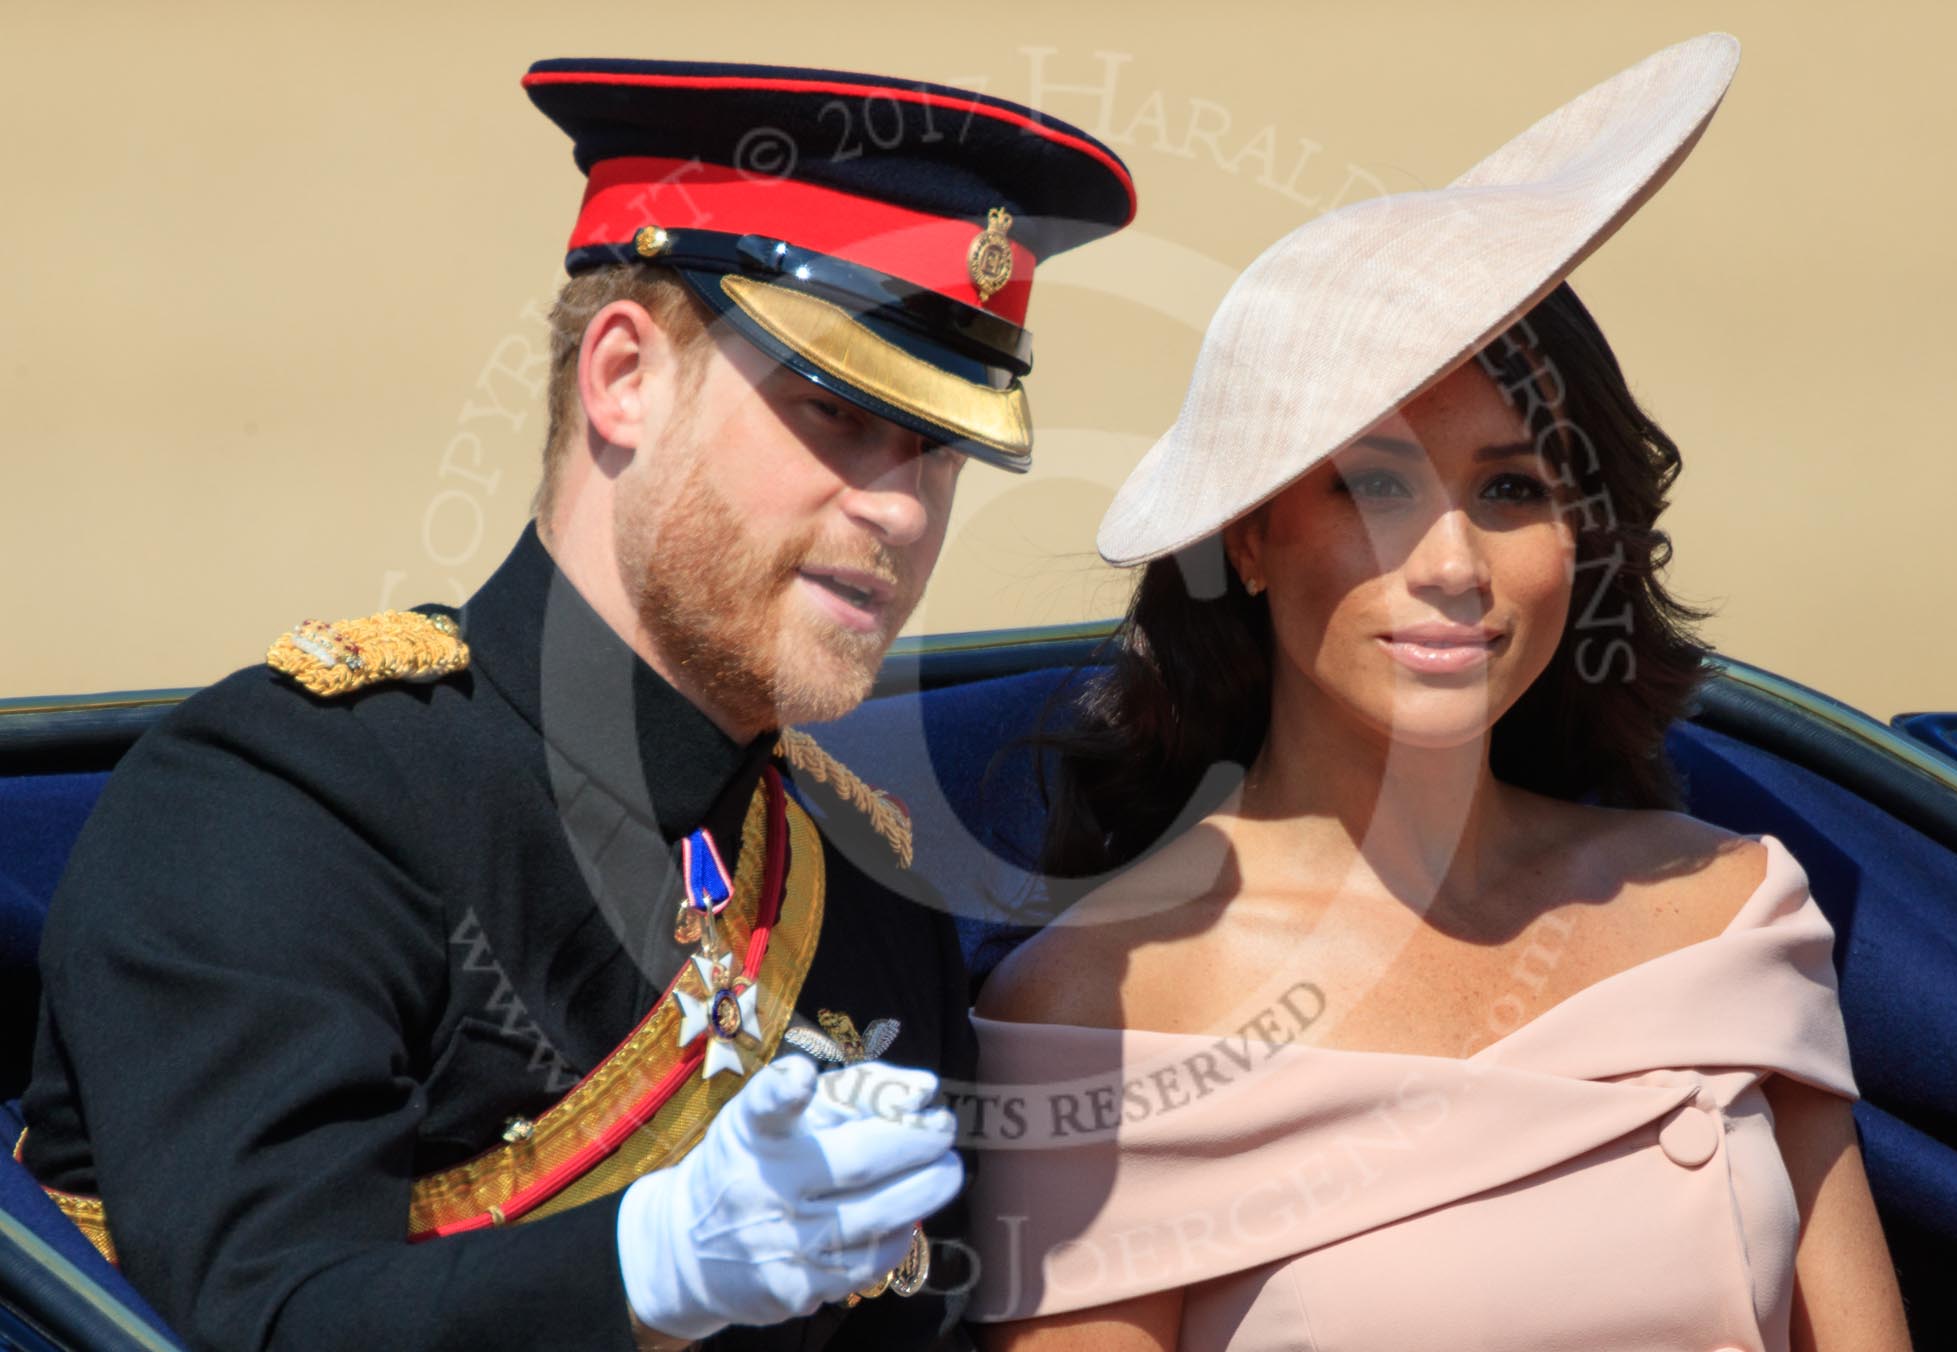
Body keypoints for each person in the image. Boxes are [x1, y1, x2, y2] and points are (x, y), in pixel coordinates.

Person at [15, 59, 1134, 1351]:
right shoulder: (288, 803)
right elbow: (269, 1310)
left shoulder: (866, 891)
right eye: (836, 414)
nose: (898, 506)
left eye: (937, 452)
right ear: (623, 381)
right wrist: (642, 1270)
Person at [966, 35, 1913, 1352]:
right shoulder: (1103, 1002)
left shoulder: (1729, 913)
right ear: (1247, 537)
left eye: (1513, 490)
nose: (1455, 566)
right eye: (1375, 486)